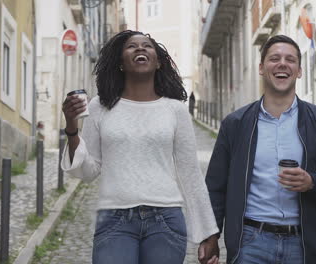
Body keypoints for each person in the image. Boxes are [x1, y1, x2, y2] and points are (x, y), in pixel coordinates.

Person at [61, 30, 219, 264]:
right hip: (114, 219)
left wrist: (208, 233)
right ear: (121, 63)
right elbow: (87, 171)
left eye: (147, 46)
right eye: (131, 46)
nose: (140, 48)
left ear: (158, 62)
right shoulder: (99, 107)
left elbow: (190, 174)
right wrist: (72, 128)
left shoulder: (175, 110)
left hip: (165, 219)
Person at [198, 35, 316, 264]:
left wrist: (313, 182)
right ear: (262, 68)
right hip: (251, 243)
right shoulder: (236, 124)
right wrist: (211, 236)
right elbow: (215, 186)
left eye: (290, 59)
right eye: (274, 58)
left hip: (306, 245)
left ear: (299, 70)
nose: (282, 64)